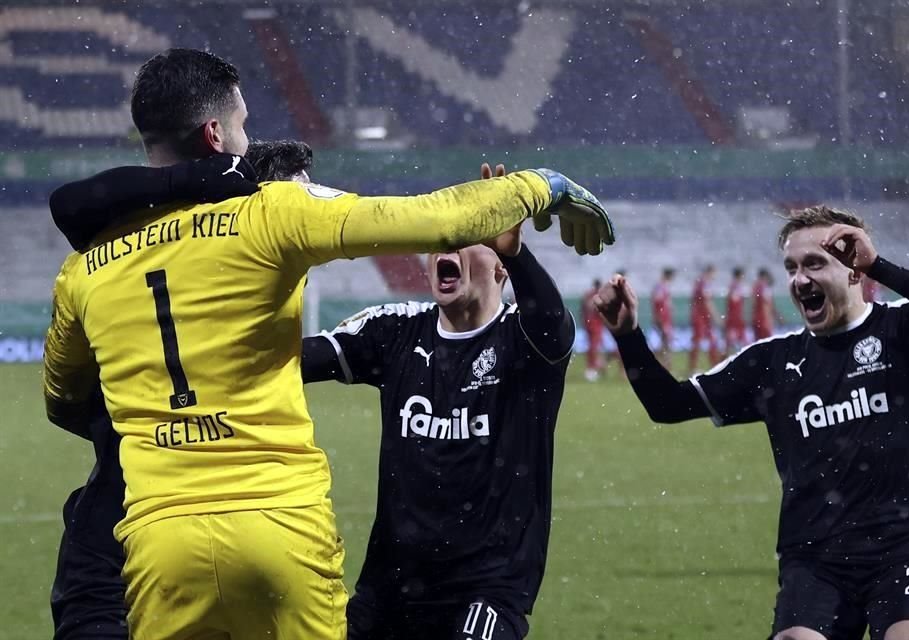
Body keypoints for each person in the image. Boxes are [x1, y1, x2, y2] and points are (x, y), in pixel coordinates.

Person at [42, 48, 614, 640]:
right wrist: (547, 183)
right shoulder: (269, 214)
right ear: (214, 135)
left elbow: (63, 398)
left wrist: (153, 423)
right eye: (242, 126)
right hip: (279, 522)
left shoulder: (85, 267)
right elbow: (438, 218)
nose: (248, 140)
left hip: (161, 538)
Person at [594, 205, 909, 640]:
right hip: (816, 557)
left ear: (854, 272)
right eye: (792, 266)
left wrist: (881, 266)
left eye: (816, 263)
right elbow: (668, 404)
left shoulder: (903, 331)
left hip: (907, 545)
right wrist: (628, 336)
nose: (800, 278)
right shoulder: (771, 362)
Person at [48, 141, 316, 640]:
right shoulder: (220, 290)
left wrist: (130, 434)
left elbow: (61, 403)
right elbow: (68, 202)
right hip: (146, 530)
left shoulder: (197, 290)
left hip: (122, 527)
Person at [301, 162, 572, 639]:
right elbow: (292, 359)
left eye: (470, 235)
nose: (448, 245)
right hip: (392, 586)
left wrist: (516, 248)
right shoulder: (396, 330)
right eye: (443, 236)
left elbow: (552, 322)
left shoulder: (521, 340)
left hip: (486, 589)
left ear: (500, 269)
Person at [689, 264, 720, 371]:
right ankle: (695, 367)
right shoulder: (704, 283)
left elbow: (694, 299)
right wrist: (715, 316)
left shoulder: (699, 282)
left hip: (700, 315)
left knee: (707, 340)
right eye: (714, 273)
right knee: (700, 341)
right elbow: (707, 302)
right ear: (710, 272)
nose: (715, 276)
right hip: (701, 316)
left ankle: (712, 365)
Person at [582, 278, 606, 381]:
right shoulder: (599, 296)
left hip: (588, 324)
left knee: (592, 346)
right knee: (594, 346)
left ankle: (594, 365)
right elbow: (601, 311)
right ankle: (594, 367)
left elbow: (582, 309)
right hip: (596, 324)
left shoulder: (587, 295)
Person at [651, 267, 675, 370]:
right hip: (663, 319)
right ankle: (664, 364)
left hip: (666, 318)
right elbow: (657, 303)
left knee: (665, 342)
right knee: (667, 342)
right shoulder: (660, 286)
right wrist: (658, 317)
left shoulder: (663, 286)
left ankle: (663, 364)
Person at [724, 266, 747, 352]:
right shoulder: (735, 287)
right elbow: (733, 302)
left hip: (736, 317)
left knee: (739, 340)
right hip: (734, 318)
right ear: (740, 275)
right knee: (731, 341)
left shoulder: (736, 286)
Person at [751, 267, 776, 340]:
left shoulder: (755, 286)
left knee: (758, 342)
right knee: (766, 343)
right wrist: (769, 320)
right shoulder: (764, 287)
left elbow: (753, 303)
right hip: (763, 319)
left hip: (756, 318)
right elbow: (766, 305)